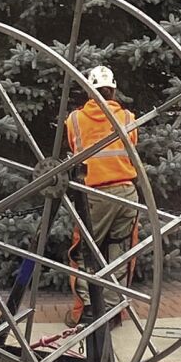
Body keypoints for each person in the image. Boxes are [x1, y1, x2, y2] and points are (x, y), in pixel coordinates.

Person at [65, 64, 140, 328]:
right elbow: (132, 147)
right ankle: (112, 312)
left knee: (85, 252)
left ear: (89, 90)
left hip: (94, 195)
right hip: (126, 193)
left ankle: (87, 311)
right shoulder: (129, 118)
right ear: (114, 90)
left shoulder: (75, 119)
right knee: (119, 252)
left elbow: (74, 148)